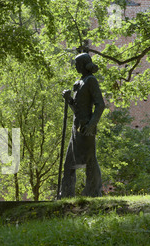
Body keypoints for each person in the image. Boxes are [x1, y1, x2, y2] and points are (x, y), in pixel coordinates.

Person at [61, 52, 106, 198]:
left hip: (87, 127)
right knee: (69, 162)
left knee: (90, 161)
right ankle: (66, 194)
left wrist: (92, 124)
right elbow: (77, 109)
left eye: (78, 64)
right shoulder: (79, 83)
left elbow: (100, 105)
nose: (76, 66)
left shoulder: (91, 81)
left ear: (84, 64)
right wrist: (69, 100)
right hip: (76, 127)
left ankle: (93, 191)